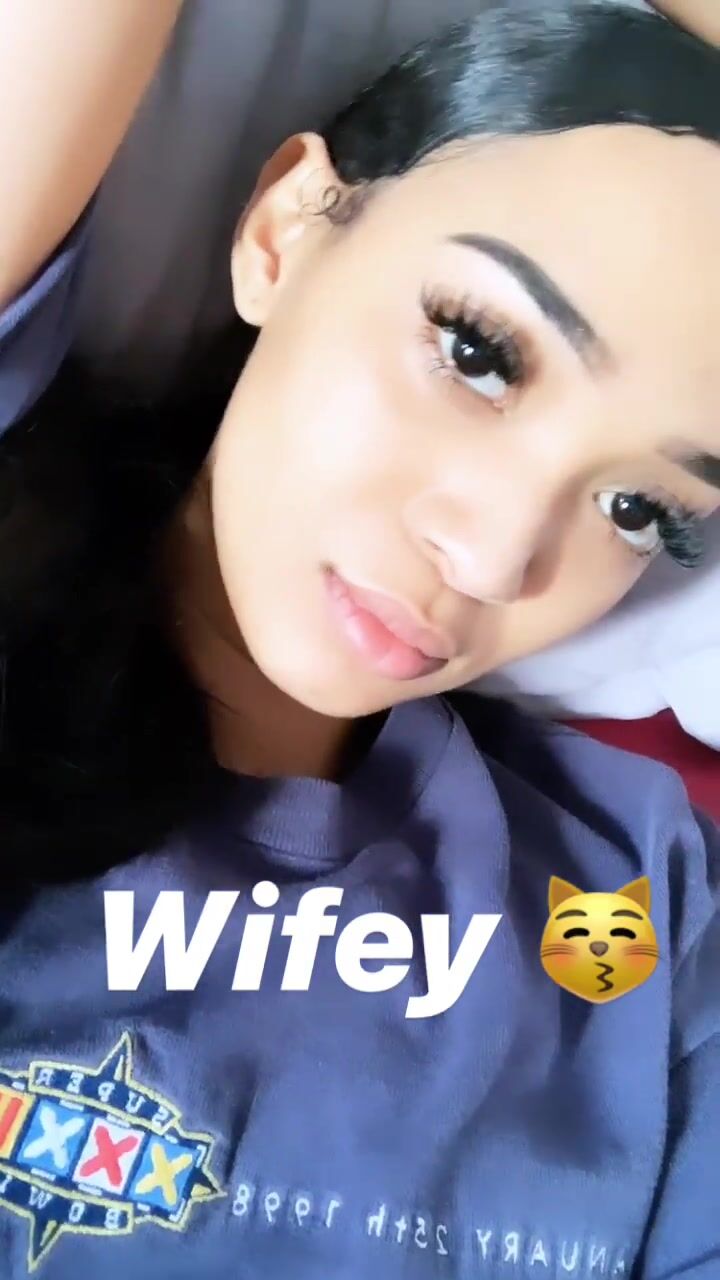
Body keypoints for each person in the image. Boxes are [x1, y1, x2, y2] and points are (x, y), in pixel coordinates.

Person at [0, 2, 719, 1278]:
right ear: (283, 230)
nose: (496, 558)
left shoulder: (643, 897)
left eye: (638, 510)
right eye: (480, 352)